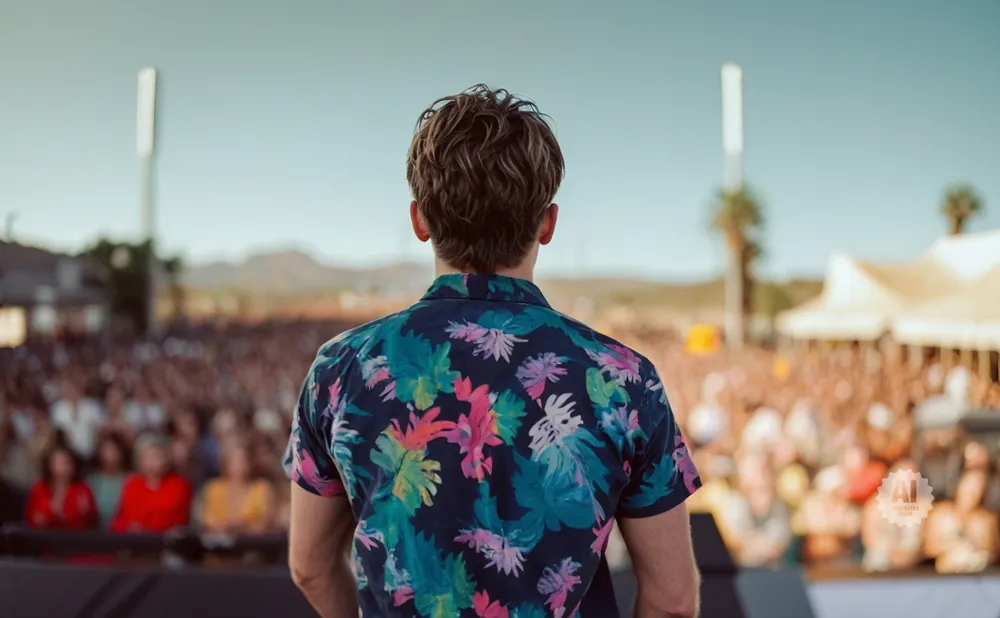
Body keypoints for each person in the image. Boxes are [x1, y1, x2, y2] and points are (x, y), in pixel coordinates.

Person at [284, 85, 701, 618]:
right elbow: (672, 600)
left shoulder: (341, 370)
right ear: (547, 224)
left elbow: (309, 567)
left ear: (420, 221)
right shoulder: (622, 379)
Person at [112, 434, 193, 533]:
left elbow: (179, 519)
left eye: (160, 454)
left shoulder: (179, 485)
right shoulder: (132, 485)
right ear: (139, 460)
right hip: (136, 541)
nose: (157, 459)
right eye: (151, 455)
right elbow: (121, 520)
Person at [199, 439, 275, 534]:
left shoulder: (261, 488)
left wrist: (238, 526)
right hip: (220, 543)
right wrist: (237, 525)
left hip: (253, 544)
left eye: (243, 460)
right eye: (234, 461)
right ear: (225, 463)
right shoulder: (213, 488)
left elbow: (265, 524)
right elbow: (208, 522)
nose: (239, 466)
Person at [25, 442, 97, 530]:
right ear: (49, 465)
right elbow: (33, 519)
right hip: (43, 539)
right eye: (59, 462)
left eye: (68, 462)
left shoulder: (83, 490)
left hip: (74, 539)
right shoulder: (38, 489)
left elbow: (85, 520)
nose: (65, 467)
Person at [87, 433, 131, 528]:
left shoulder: (131, 480)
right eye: (106, 449)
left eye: (114, 449)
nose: (110, 454)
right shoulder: (92, 481)